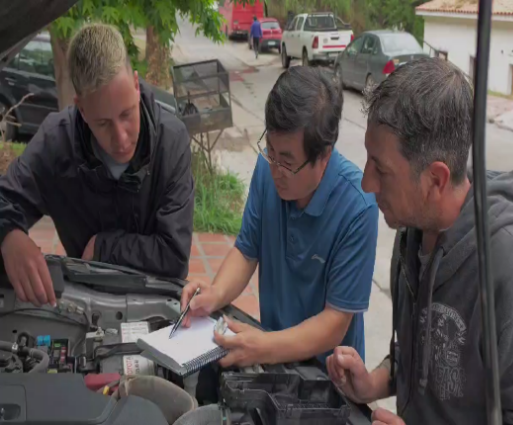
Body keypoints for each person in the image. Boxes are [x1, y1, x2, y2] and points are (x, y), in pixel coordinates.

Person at [327, 57, 513, 424]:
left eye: (382, 169)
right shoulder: (411, 232)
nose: (366, 182)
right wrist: (371, 384)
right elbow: (425, 355)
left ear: (436, 180)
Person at [181, 66, 378, 368]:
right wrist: (215, 293)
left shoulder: (357, 207)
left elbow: (335, 322)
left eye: (287, 161)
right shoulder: (267, 169)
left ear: (324, 156)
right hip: (272, 357)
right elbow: (246, 251)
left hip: (326, 376)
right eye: (270, 150)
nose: (275, 170)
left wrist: (262, 346)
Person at [0, 24, 194, 307]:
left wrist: (105, 247)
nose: (121, 138)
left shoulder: (171, 141)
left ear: (136, 85)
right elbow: (5, 199)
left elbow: (174, 256)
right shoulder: (56, 143)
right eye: (103, 123)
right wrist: (9, 236)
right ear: (81, 108)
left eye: (127, 114)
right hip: (84, 303)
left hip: (156, 304)